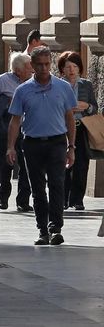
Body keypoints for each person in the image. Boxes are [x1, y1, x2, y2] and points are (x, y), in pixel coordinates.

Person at [6, 46, 77, 246]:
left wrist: (71, 146)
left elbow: (70, 117)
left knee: (57, 184)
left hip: (56, 142)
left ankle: (55, 229)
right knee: (37, 188)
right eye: (40, 65)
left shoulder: (63, 87)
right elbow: (15, 120)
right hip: (32, 144)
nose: (44, 68)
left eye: (47, 64)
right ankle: (42, 230)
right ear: (33, 66)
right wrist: (10, 147)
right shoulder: (23, 90)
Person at [0, 52, 33, 211]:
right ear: (18, 70)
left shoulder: (34, 82)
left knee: (27, 166)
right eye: (28, 67)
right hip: (6, 129)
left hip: (27, 130)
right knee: (5, 165)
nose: (32, 70)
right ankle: (3, 196)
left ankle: (23, 201)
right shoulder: (2, 81)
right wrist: (6, 102)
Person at [55, 50, 97, 211]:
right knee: (63, 164)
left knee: (81, 164)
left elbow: (94, 107)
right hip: (62, 127)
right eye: (67, 67)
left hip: (82, 127)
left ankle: (77, 199)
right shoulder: (57, 84)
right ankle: (63, 198)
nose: (71, 70)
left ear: (79, 68)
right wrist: (67, 109)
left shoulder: (86, 85)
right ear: (62, 69)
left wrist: (87, 106)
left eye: (74, 66)